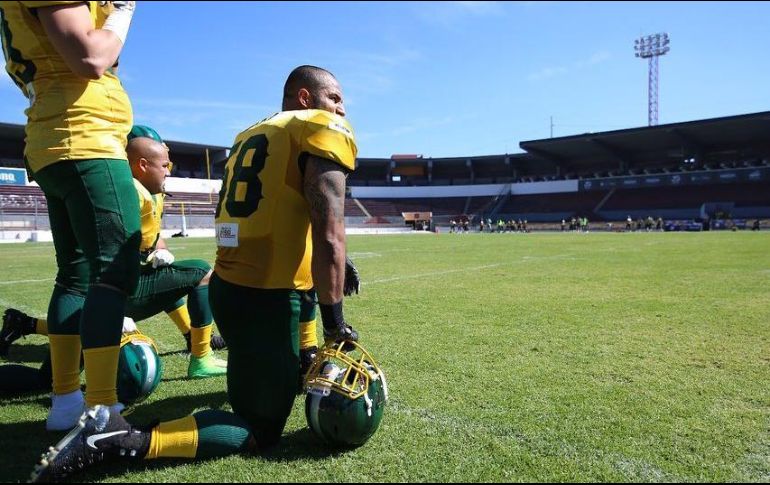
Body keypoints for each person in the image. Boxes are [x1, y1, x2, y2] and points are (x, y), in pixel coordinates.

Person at [30, 65, 361, 482]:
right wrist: (336, 326)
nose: (341, 108)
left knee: (266, 373)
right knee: (259, 428)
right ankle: (123, 440)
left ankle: (295, 360)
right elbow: (329, 233)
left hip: (230, 287)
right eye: (335, 98)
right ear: (304, 98)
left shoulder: (253, 132)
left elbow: (287, 214)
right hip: (266, 297)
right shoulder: (319, 126)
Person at [0, 1, 141, 432]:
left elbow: (103, 51)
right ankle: (103, 410)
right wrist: (124, 10)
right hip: (83, 138)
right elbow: (91, 58)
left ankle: (66, 400)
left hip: (57, 137)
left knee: (75, 275)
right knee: (113, 272)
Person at [0, 126, 228, 379]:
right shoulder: (125, 191)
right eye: (164, 164)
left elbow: (151, 240)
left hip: (89, 294)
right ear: (140, 163)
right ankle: (199, 355)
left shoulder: (142, 189)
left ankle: (28, 325)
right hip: (102, 292)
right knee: (198, 271)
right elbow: (109, 256)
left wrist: (154, 252)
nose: (168, 169)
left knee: (49, 381)